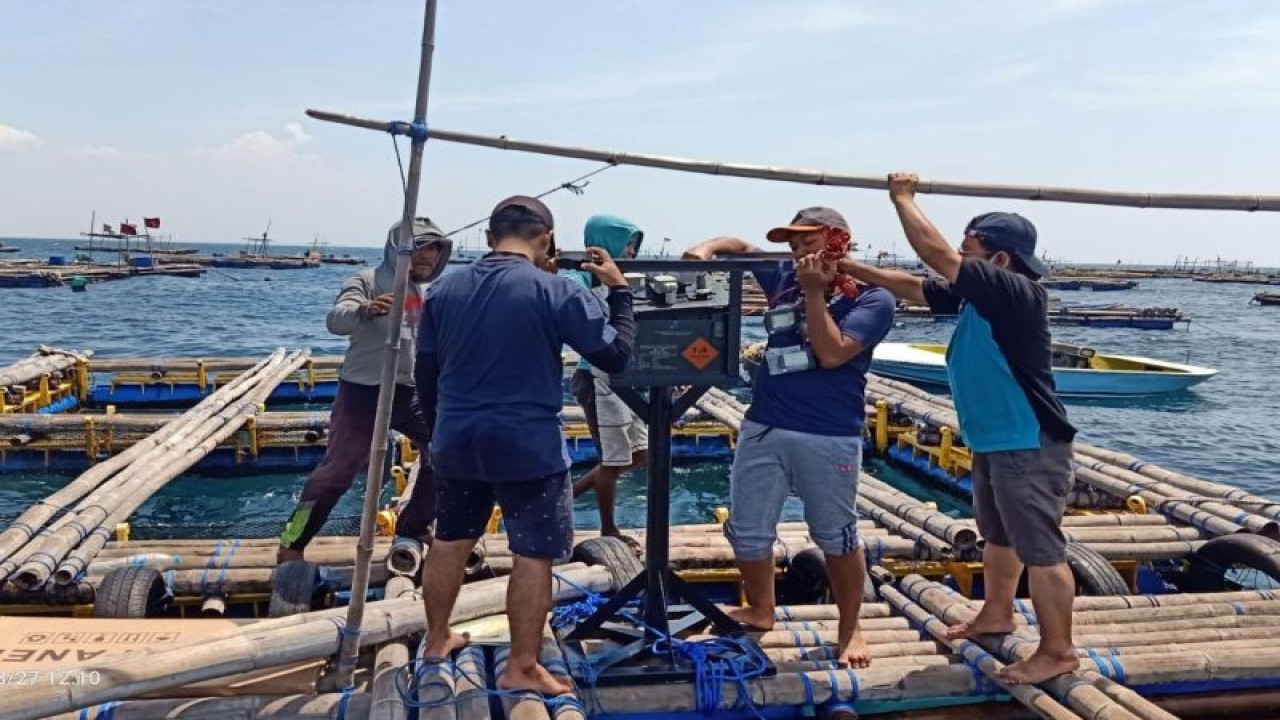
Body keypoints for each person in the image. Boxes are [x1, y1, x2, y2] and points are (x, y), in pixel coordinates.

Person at [836, 173, 1078, 684]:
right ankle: (997, 612)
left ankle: (1058, 650)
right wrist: (847, 267)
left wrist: (902, 199)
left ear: (999, 261)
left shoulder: (1016, 294)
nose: (960, 259)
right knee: (998, 536)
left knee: (1041, 548)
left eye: (970, 251)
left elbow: (936, 256)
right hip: (994, 439)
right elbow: (917, 287)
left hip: (1027, 440)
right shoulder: (979, 297)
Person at [415, 196, 636, 695]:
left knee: (450, 541)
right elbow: (617, 355)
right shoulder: (555, 289)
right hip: (527, 446)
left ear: (490, 238)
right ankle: (522, 664)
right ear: (547, 239)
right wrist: (619, 291)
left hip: (455, 439)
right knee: (533, 555)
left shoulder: (444, 292)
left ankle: (435, 639)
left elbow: (424, 375)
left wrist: (436, 433)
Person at [683, 206, 895, 668]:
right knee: (748, 526)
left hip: (829, 433)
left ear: (838, 239)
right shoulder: (782, 274)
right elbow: (738, 247)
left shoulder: (874, 299)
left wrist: (816, 295)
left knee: (835, 534)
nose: (797, 252)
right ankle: (761, 608)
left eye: (807, 242)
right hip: (765, 424)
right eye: (792, 244)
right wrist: (706, 250)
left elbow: (834, 354)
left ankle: (850, 627)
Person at [277, 219, 451, 565]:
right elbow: (336, 319)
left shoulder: (424, 292)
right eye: (419, 247)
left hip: (408, 391)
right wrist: (364, 310)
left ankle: (414, 525)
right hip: (364, 390)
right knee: (338, 472)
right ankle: (291, 543)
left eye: (434, 249)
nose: (426, 256)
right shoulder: (366, 281)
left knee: (445, 450)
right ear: (398, 249)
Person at [564, 215, 649, 538]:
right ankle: (608, 528)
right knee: (612, 460)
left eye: (632, 245)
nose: (629, 252)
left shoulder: (616, 282)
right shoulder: (581, 279)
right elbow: (570, 288)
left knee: (642, 453)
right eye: (625, 244)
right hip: (595, 379)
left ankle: (569, 496)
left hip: (623, 378)